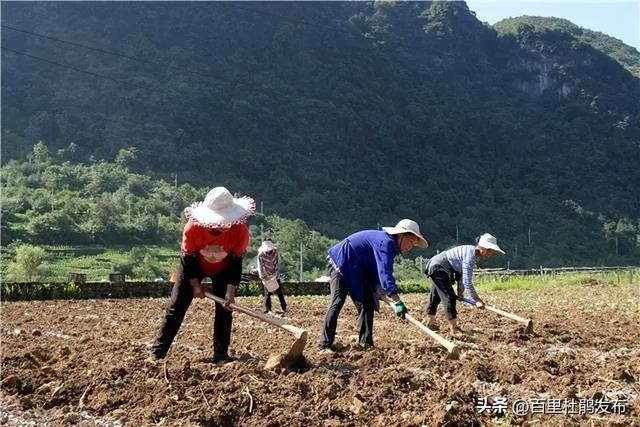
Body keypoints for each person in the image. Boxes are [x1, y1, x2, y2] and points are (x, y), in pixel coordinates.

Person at [150, 186, 255, 364]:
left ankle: (221, 355)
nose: (223, 226)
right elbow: (188, 259)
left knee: (225, 309)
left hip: (224, 268)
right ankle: (157, 353)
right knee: (176, 307)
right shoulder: (192, 229)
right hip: (193, 266)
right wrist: (195, 285)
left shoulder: (240, 231)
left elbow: (236, 262)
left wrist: (231, 291)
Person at [318, 219, 428, 353]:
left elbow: (377, 271)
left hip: (358, 268)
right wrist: (397, 301)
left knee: (367, 302)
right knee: (338, 300)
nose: (410, 247)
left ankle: (365, 343)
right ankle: (324, 345)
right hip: (342, 260)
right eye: (410, 242)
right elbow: (384, 272)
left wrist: (379, 290)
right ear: (401, 235)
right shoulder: (385, 243)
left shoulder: (391, 247)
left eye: (413, 245)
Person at [424, 233, 505, 335]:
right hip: (439, 266)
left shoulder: (472, 254)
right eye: (490, 251)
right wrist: (477, 299)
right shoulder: (470, 255)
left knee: (436, 295)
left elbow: (461, 274)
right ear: (483, 248)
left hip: (439, 266)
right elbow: (467, 280)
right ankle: (454, 328)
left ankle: (430, 322)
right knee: (449, 297)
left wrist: (460, 291)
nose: (491, 254)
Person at [257, 239, 287, 316]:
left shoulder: (275, 252)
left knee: (279, 291)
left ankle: (284, 307)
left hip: (275, 275)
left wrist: (274, 275)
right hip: (266, 276)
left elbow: (277, 263)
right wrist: (264, 277)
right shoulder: (260, 255)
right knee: (267, 293)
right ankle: (268, 309)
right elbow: (260, 267)